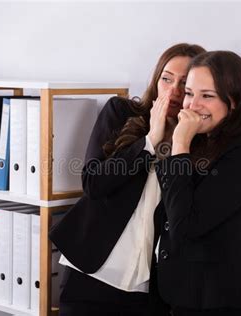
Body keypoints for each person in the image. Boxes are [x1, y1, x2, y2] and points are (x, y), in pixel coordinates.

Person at [49, 43, 206, 316]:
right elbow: (93, 183)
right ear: (156, 80)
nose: (173, 91)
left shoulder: (199, 143)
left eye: (185, 83)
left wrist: (181, 141)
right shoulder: (120, 113)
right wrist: (149, 142)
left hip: (151, 290)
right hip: (91, 274)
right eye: (166, 79)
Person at [152, 51, 241, 316]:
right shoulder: (200, 143)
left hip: (222, 302)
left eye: (207, 96)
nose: (192, 105)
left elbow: (186, 227)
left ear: (234, 102)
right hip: (181, 297)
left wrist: (180, 145)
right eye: (189, 93)